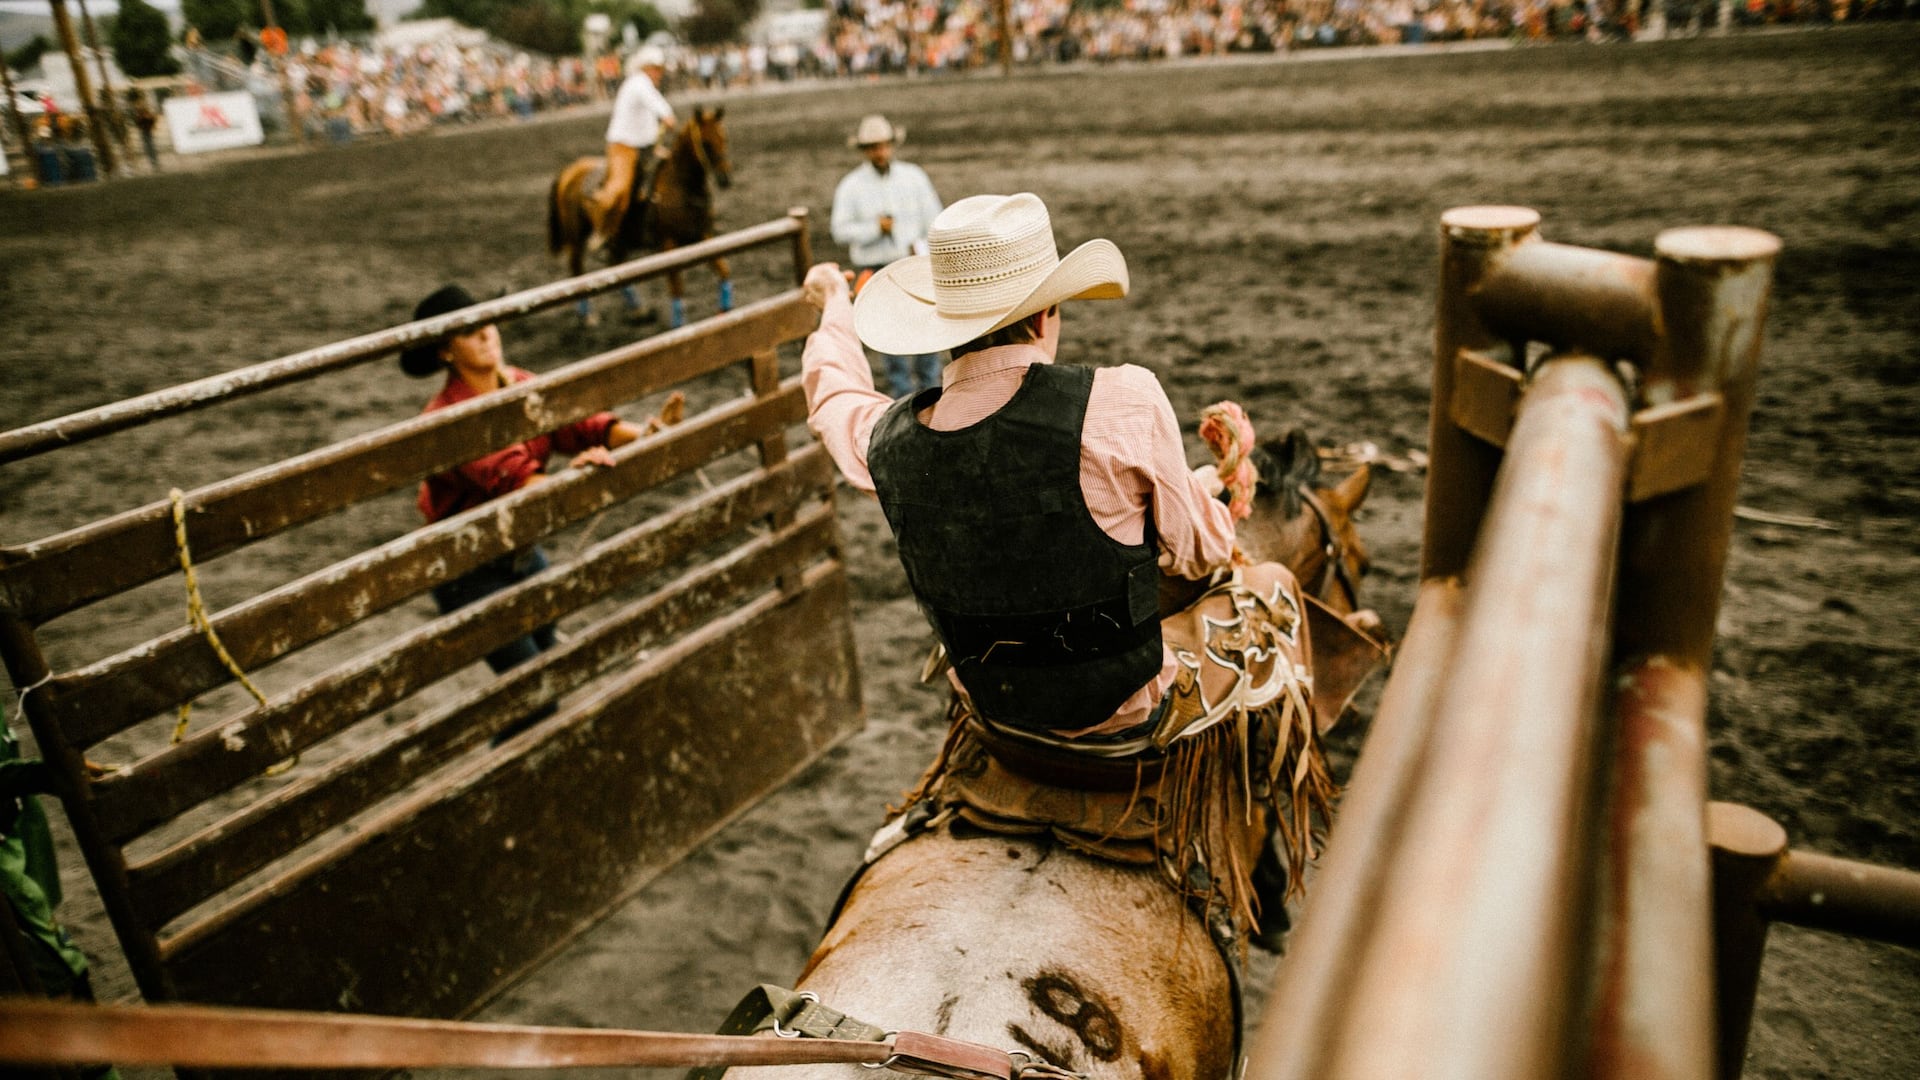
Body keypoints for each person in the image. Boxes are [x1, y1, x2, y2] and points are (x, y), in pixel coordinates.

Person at [800, 192, 1240, 742]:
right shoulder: (1125, 401)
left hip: (996, 711)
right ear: (1043, 314)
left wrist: (834, 305)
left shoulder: (888, 444)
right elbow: (1203, 552)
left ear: (943, 327)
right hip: (1124, 713)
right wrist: (1208, 491)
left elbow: (834, 398)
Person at [401, 284, 644, 739]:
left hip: (521, 555)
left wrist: (645, 434)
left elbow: (580, 423)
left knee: (540, 683)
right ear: (445, 352)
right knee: (535, 696)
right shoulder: (448, 420)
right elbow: (513, 478)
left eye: (487, 322)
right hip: (469, 572)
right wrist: (576, 478)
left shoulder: (519, 383)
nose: (486, 334)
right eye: (468, 331)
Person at [829, 114, 946, 398]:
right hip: (875, 266)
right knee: (889, 335)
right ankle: (903, 396)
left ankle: (930, 391)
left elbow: (935, 219)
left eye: (882, 145)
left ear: (891, 145)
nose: (879, 152)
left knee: (925, 327)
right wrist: (874, 229)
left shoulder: (913, 177)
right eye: (873, 147)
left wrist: (919, 246)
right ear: (864, 151)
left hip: (911, 263)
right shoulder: (851, 186)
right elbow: (839, 230)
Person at [587, 45, 676, 254]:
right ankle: (601, 229)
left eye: (660, 70)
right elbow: (656, 104)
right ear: (646, 68)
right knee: (620, 190)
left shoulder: (643, 84)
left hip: (647, 147)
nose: (659, 74)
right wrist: (667, 115)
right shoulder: (638, 83)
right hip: (624, 147)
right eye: (656, 69)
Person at [130, 91, 159, 171]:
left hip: (146, 130)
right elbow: (138, 121)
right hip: (145, 130)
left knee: (150, 146)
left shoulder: (144, 110)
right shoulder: (140, 111)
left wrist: (150, 124)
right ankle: (153, 162)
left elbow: (151, 118)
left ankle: (154, 162)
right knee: (148, 146)